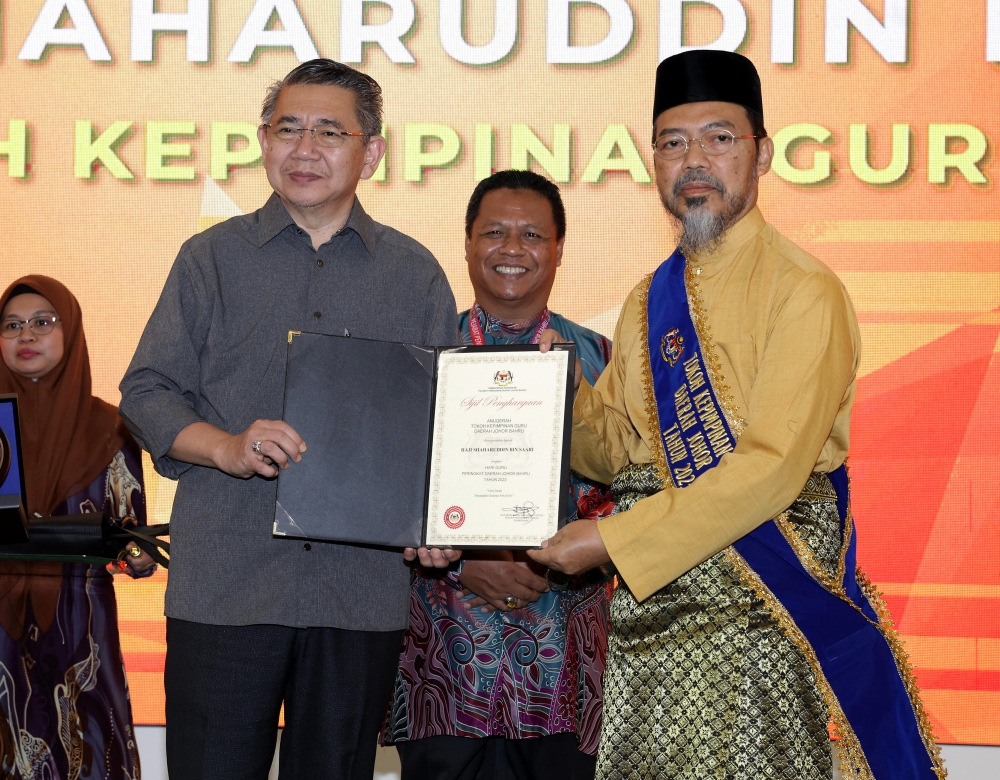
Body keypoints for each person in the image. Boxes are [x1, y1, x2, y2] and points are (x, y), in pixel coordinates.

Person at [529, 51, 946, 780]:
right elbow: (620, 448)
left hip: (766, 622)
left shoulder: (804, 290)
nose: (695, 160)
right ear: (652, 159)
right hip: (657, 626)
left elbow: (769, 470)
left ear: (762, 154)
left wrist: (611, 540)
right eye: (672, 142)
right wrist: (546, 394)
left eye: (720, 138)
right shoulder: (645, 300)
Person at [118, 59, 460, 779]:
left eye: (329, 131)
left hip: (358, 593)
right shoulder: (210, 259)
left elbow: (449, 426)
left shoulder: (414, 273)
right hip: (227, 583)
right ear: (263, 141)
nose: (304, 149)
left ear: (371, 152)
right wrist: (226, 447)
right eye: (287, 129)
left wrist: (442, 519)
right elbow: (147, 390)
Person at [382, 170, 615, 780]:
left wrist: (551, 558)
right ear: (465, 243)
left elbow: (640, 490)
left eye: (532, 234)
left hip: (566, 664)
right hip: (446, 669)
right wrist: (466, 559)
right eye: (494, 232)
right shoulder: (421, 355)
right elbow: (384, 489)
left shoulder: (606, 362)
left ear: (559, 248)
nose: (512, 249)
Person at [0, 275, 155, 779]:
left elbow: (139, 543)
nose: (26, 336)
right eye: (12, 325)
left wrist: (137, 555)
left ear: (72, 333)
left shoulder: (110, 428)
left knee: (87, 754)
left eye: (43, 323)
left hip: (80, 634)